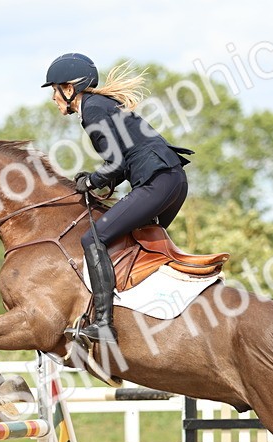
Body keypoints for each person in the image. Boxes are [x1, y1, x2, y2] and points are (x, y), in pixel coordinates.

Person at [42, 53, 193, 345]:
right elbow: (123, 161)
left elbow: (116, 164)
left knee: (92, 239)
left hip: (156, 182)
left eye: (54, 90)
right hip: (172, 181)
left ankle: (103, 323)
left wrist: (92, 180)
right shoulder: (103, 105)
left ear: (69, 89)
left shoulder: (93, 110)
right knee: (137, 242)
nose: (53, 98)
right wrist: (99, 177)